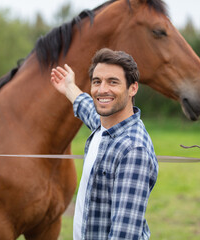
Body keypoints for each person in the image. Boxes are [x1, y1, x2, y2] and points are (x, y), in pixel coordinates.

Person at [51, 48, 158, 240]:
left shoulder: (133, 150)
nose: (102, 90)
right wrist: (69, 87)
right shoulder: (105, 126)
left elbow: (123, 235)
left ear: (133, 88)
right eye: (97, 81)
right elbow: (88, 108)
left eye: (113, 82)